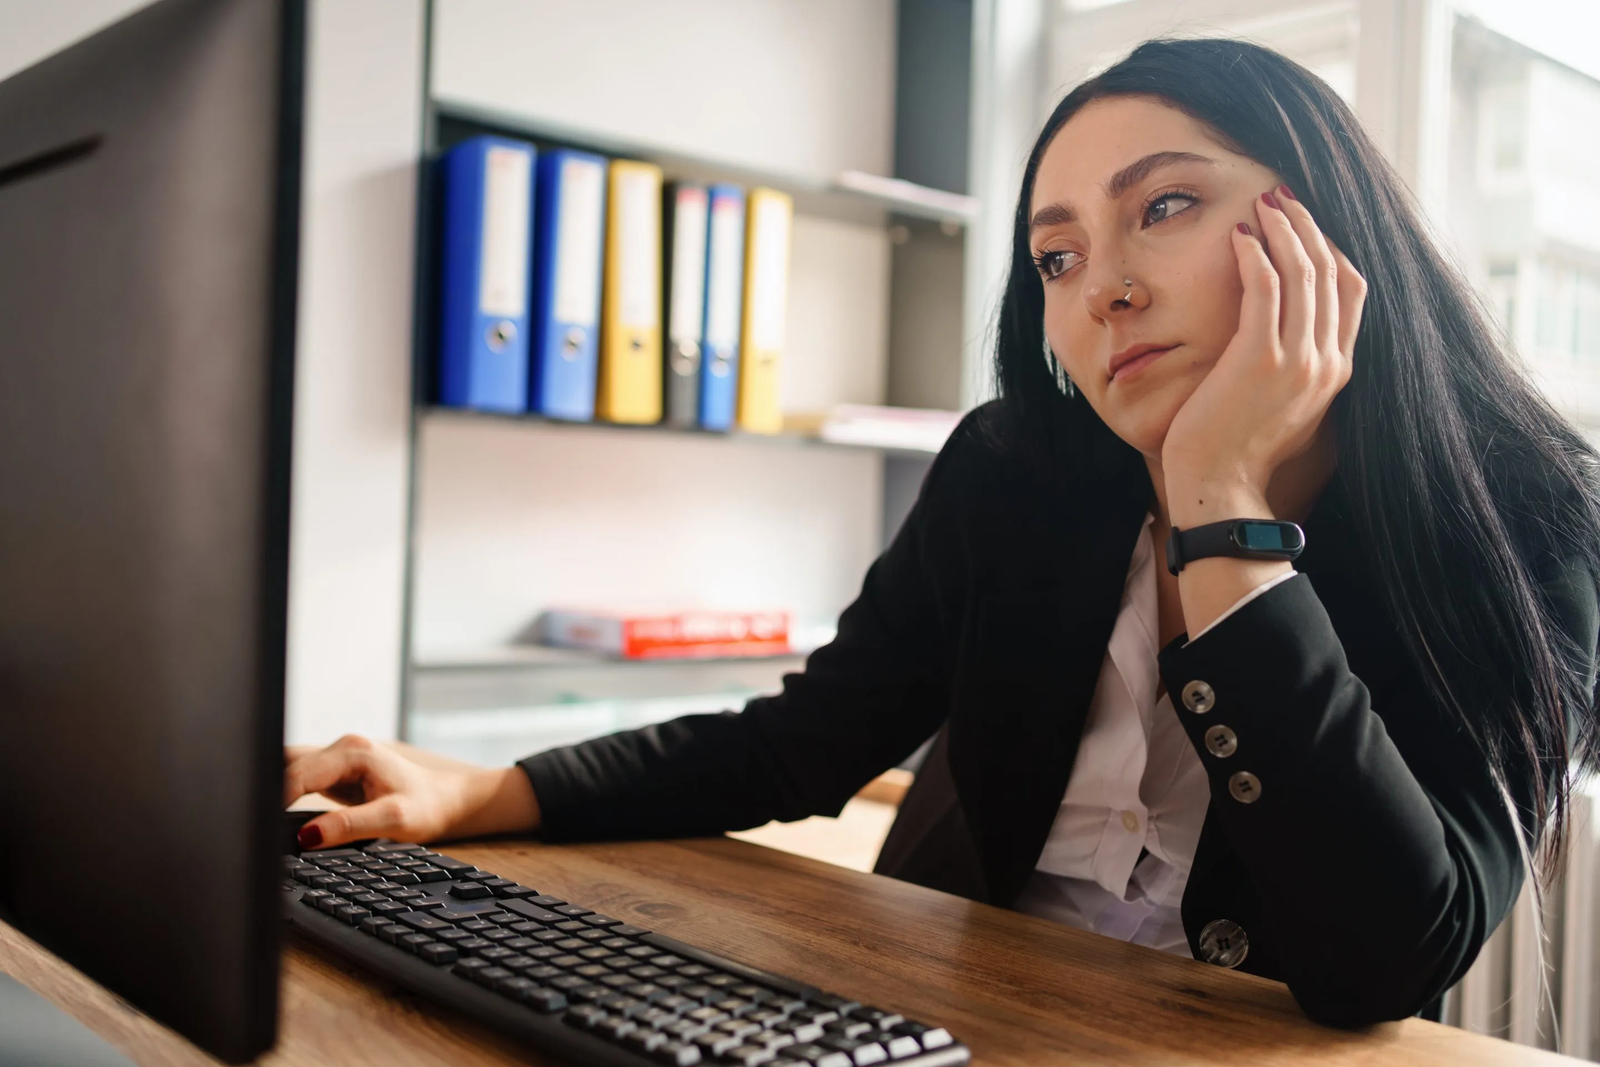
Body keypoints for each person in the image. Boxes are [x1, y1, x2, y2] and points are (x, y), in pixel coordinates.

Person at [284, 38, 1600, 1027]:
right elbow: (807, 739)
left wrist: (1221, 505)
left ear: (1323, 226)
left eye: (1167, 204)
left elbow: (1386, 959)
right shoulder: (1018, 469)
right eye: (1058, 256)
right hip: (941, 1017)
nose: (1107, 288)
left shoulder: (1529, 515)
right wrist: (482, 788)